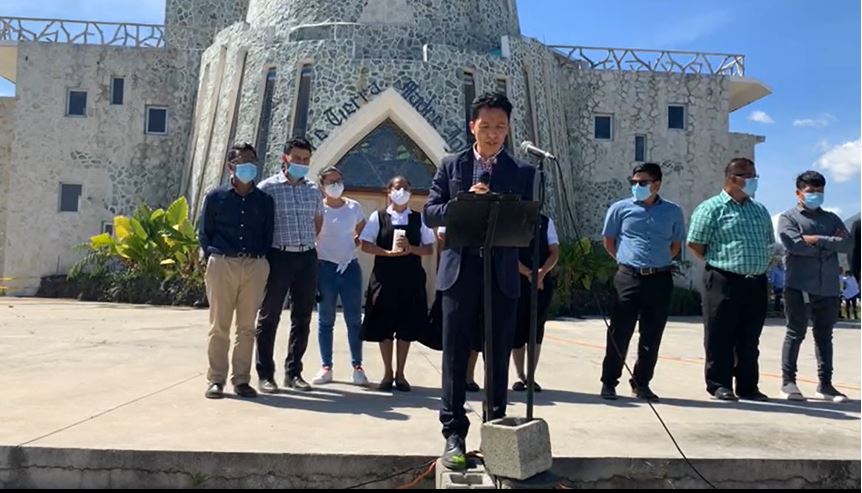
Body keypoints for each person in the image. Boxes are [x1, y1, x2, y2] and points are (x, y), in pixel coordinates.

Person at [424, 92, 535, 470]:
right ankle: (454, 432)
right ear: (472, 125)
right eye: (485, 126)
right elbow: (430, 212)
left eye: (500, 127)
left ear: (508, 128)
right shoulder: (451, 165)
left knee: (498, 352)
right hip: (460, 271)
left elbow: (527, 221)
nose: (492, 134)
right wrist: (463, 204)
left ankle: (495, 427)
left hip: (501, 272)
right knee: (455, 354)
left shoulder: (522, 172)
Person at [687, 157, 774, 402]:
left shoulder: (759, 209)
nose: (753, 181)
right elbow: (695, 243)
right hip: (723, 279)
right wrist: (721, 262)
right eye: (748, 176)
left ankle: (748, 386)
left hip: (755, 280)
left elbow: (769, 241)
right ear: (732, 178)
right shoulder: (712, 208)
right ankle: (719, 384)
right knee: (719, 334)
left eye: (754, 175)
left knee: (749, 337)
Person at [600, 162, 686, 402]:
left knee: (652, 333)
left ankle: (642, 383)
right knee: (619, 331)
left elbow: (676, 245)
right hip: (628, 276)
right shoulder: (620, 209)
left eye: (643, 183)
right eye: (634, 182)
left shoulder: (672, 211)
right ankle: (609, 382)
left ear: (657, 184)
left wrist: (655, 262)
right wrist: (626, 260)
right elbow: (609, 241)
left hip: (659, 278)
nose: (637, 186)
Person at [199, 143, 274, 399]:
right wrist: (213, 256)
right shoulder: (215, 197)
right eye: (242, 161)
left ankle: (241, 380)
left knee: (247, 327)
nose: (248, 166)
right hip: (223, 263)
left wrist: (260, 260)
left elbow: (268, 233)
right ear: (230, 166)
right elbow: (205, 233)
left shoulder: (264, 200)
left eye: (252, 161)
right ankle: (216, 379)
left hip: (253, 265)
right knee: (219, 326)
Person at [255, 137, 324, 393]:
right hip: (278, 257)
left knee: (302, 317)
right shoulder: (267, 188)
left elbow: (318, 222)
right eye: (297, 159)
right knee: (269, 315)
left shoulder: (313, 190)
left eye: (306, 160)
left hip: (306, 257)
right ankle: (265, 375)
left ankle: (293, 372)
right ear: (286, 158)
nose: (302, 163)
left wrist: (307, 245)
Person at [777, 170, 852, 402]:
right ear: (798, 193)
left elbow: (847, 243)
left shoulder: (831, 218)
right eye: (811, 191)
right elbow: (795, 244)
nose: (815, 195)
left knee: (824, 335)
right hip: (799, 285)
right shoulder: (788, 218)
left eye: (820, 191)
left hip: (828, 286)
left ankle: (825, 385)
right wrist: (830, 243)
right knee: (795, 332)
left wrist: (817, 239)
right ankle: (788, 382)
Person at [360, 176, 435, 392]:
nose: (401, 191)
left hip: (410, 278)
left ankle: (401, 374)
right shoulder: (379, 216)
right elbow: (366, 244)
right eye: (397, 187)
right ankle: (387, 373)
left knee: (405, 327)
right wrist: (387, 253)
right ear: (389, 190)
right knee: (384, 326)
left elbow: (429, 248)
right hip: (384, 277)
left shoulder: (418, 218)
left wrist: (411, 249)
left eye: (405, 187)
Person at [311, 166, 368, 386]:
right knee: (326, 320)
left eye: (339, 180)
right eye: (331, 182)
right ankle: (326, 366)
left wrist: (356, 239)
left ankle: (357, 367)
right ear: (322, 186)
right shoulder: (319, 209)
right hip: (325, 268)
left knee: (354, 319)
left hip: (349, 268)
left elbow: (363, 228)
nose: (336, 185)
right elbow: (312, 233)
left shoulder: (353, 207)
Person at [511, 214, 560, 393]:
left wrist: (541, 273)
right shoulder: (512, 221)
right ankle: (519, 376)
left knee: (536, 328)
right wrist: (528, 274)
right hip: (517, 281)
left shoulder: (545, 222)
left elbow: (554, 251)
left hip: (542, 282)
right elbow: (508, 254)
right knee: (517, 328)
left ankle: (531, 376)